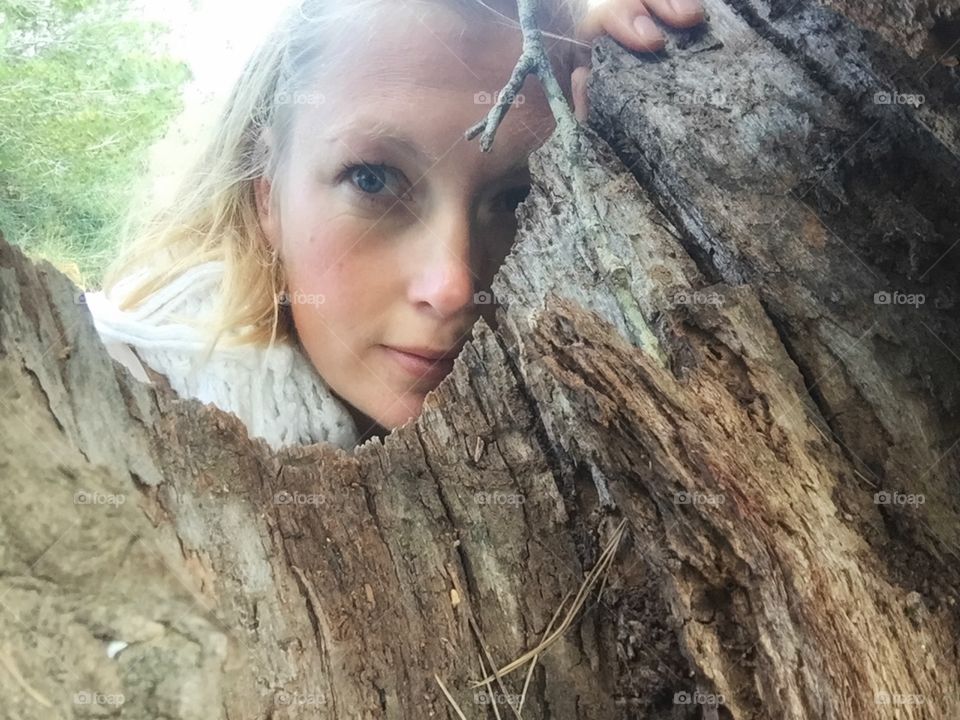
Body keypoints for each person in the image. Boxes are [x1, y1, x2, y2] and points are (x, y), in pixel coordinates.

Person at [85, 0, 704, 451]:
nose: (454, 288)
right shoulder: (127, 402)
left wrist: (647, 84)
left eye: (520, 197)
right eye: (374, 180)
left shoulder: (582, 419)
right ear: (267, 197)